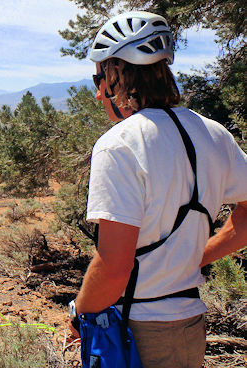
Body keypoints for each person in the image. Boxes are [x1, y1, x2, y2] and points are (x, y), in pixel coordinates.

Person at [69, 11, 247, 367]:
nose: (98, 90)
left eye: (97, 78)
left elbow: (115, 267)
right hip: (190, 324)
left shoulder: (119, 144)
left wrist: (78, 311)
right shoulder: (214, 134)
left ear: (113, 75)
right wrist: (193, 256)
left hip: (137, 332)